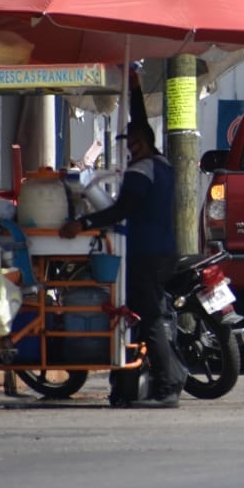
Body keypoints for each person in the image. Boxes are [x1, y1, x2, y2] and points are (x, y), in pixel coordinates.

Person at [60, 116, 186, 407]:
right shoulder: (163, 164)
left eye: (134, 141)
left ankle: (168, 387)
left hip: (146, 254)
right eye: (128, 142)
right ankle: (150, 381)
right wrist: (136, 85)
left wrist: (83, 223)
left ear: (144, 141)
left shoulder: (140, 171)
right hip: (165, 251)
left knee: (151, 319)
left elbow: (120, 211)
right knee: (149, 318)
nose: (131, 146)